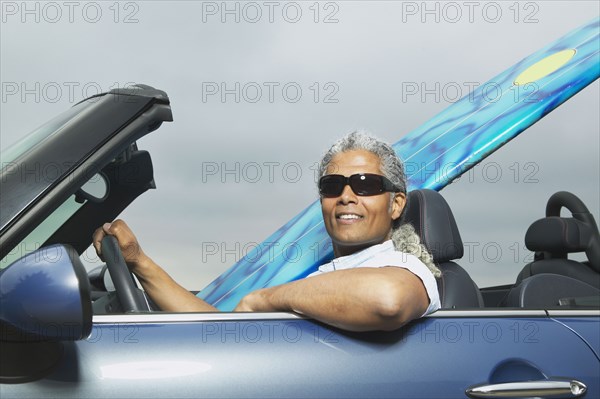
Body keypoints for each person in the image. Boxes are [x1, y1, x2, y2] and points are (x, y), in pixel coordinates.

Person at [93, 131, 441, 332]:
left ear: (395, 204)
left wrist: (263, 299)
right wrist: (138, 261)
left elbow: (388, 300)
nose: (346, 196)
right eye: (333, 185)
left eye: (365, 185)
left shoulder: (408, 269)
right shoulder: (324, 280)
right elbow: (221, 329)